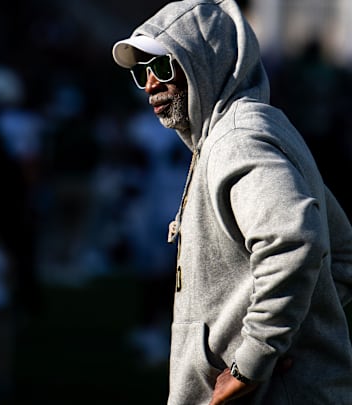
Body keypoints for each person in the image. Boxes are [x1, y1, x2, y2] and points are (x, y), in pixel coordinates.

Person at [110, 1, 352, 404]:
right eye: (141, 72)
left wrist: (254, 359)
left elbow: (295, 242)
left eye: (163, 66)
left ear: (206, 61)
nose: (150, 84)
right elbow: (342, 254)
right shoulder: (252, 128)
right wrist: (292, 332)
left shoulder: (239, 140)